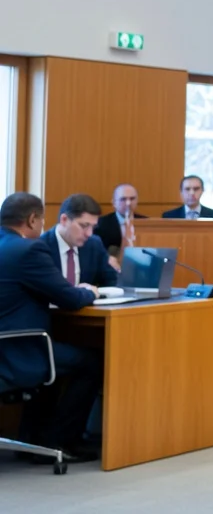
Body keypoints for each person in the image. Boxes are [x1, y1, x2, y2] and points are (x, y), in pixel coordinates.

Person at [0, 193, 102, 463]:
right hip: (15, 349)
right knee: (90, 362)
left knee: (59, 355)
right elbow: (70, 298)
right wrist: (90, 292)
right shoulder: (29, 250)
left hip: (8, 345)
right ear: (32, 220)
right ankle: (60, 440)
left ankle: (31, 437)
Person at [42, 194, 119, 288]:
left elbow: (112, 281)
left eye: (93, 227)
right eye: (84, 226)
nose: (89, 233)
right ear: (64, 220)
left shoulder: (94, 244)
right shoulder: (40, 247)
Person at [95, 183, 144, 257]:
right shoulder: (101, 224)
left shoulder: (146, 223)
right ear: (114, 203)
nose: (128, 203)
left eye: (132, 199)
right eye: (123, 199)